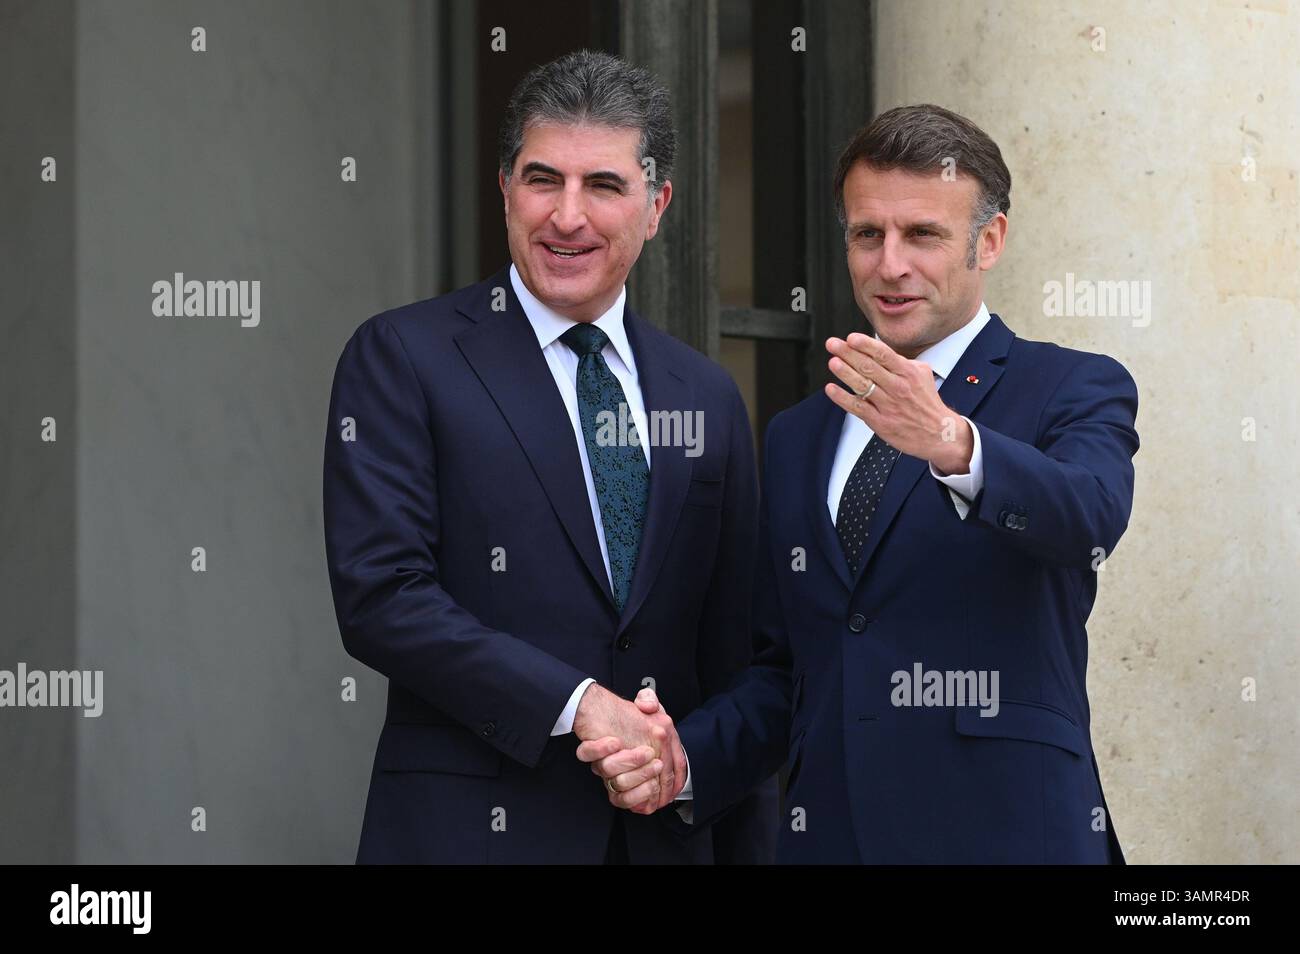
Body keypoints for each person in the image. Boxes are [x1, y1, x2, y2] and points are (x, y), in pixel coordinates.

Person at [584, 104, 1139, 864]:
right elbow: (791, 669)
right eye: (867, 234)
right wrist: (684, 758)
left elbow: (1090, 517)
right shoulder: (799, 433)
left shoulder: (1072, 385)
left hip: (1012, 832)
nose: (890, 264)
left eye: (923, 235)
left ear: (990, 240)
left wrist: (948, 439)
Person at [323, 49, 775, 864]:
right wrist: (577, 704)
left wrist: (686, 767)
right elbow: (382, 598)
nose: (568, 217)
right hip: (467, 839)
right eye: (543, 180)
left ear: (657, 204)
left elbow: (737, 658)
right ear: (505, 189)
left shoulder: (704, 395)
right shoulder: (404, 356)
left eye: (604, 186)